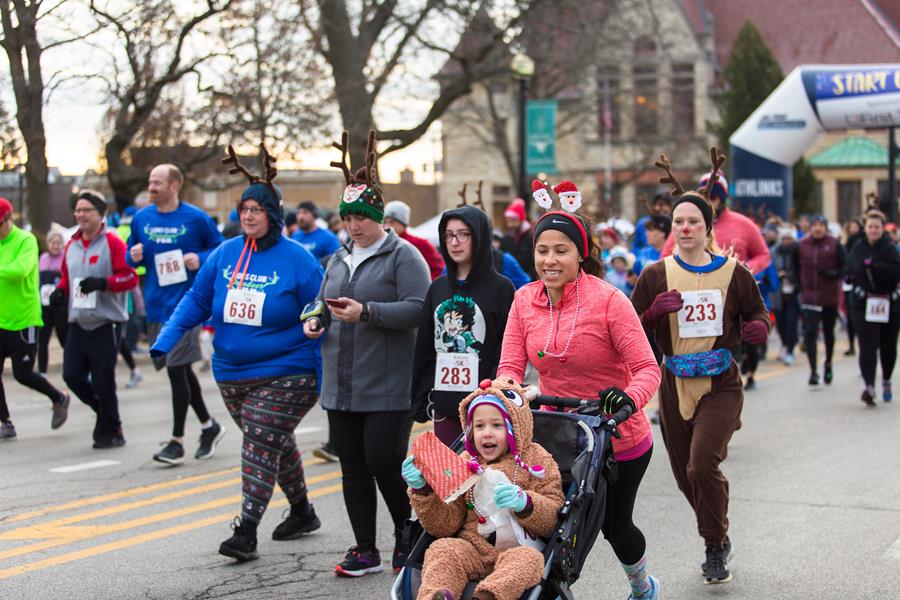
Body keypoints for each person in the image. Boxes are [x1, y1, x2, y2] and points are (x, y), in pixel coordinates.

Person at [151, 150, 324, 560]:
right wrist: (165, 340)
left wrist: (323, 363)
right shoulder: (226, 254)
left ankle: (246, 531)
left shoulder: (299, 261)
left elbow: (320, 312)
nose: (248, 216)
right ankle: (302, 511)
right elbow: (196, 300)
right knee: (270, 442)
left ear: (274, 215)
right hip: (231, 373)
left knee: (260, 440)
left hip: (289, 371)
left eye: (258, 209)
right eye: (244, 208)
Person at [497, 185, 662, 600]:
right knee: (550, 522)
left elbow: (646, 368)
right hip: (559, 433)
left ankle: (642, 586)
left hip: (617, 435)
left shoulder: (609, 301)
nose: (549, 260)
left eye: (561, 251)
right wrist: (502, 392)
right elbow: (510, 369)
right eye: (542, 250)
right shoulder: (523, 300)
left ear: (581, 255)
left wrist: (628, 400)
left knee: (613, 527)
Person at [631, 153, 769, 585]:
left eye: (694, 221)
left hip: (721, 382)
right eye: (679, 222)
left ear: (708, 228)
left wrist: (756, 329)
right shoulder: (656, 274)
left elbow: (760, 315)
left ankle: (713, 545)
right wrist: (653, 312)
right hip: (675, 383)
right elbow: (631, 329)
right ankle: (718, 528)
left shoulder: (734, 272)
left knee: (700, 466)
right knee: (683, 477)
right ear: (672, 229)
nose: (685, 228)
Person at [302, 130, 430, 577]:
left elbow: (418, 310)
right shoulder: (338, 259)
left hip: (389, 384)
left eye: (362, 217)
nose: (354, 225)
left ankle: (406, 533)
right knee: (353, 467)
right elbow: (320, 300)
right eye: (347, 217)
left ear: (379, 218)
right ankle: (363, 548)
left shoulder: (404, 257)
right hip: (342, 382)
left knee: (383, 462)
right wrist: (315, 318)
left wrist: (369, 312)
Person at [403, 378, 565, 600]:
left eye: (496, 425)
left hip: (517, 547)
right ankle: (437, 595)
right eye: (479, 426)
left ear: (515, 426)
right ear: (470, 430)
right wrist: (422, 490)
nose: (487, 433)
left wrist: (526, 503)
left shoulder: (537, 460)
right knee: (443, 549)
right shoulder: (465, 462)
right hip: (472, 547)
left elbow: (553, 518)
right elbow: (445, 525)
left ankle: (487, 596)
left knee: (528, 560)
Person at [129, 164, 225, 465]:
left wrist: (201, 257)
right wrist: (132, 255)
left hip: (187, 306)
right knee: (180, 369)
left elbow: (221, 250)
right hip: (156, 303)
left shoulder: (196, 218)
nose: (151, 187)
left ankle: (177, 441)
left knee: (175, 368)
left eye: (157, 182)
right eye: (150, 182)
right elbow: (131, 251)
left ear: (174, 186)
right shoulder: (142, 218)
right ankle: (210, 426)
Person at [411, 204, 515, 445]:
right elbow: (425, 346)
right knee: (451, 476)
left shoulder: (501, 288)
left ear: (479, 237)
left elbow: (507, 348)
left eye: (463, 234)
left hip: (487, 405)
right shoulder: (437, 287)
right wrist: (420, 396)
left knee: (487, 476)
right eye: (448, 235)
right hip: (445, 405)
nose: (454, 242)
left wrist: (498, 391)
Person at [52, 190, 138, 448]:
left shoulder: (112, 243)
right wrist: (60, 291)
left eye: (86, 210)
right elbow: (68, 277)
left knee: (102, 380)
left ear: (101, 214)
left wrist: (103, 283)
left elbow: (130, 278)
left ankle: (113, 429)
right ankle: (105, 414)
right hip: (78, 320)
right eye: (77, 210)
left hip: (106, 322)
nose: (80, 215)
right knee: (72, 376)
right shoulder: (71, 244)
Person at [0, 200, 70, 440]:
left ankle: (58, 398)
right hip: (0, 319)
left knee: (22, 374)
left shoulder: (25, 241)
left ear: (8, 219)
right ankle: (6, 422)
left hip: (23, 319)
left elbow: (20, 270)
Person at [661, 170, 771, 275]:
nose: (708, 201)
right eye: (704, 196)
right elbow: (665, 257)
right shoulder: (686, 224)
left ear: (722, 199)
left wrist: (746, 268)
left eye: (712, 197)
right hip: (692, 286)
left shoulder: (745, 224)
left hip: (733, 287)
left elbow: (763, 255)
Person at [846, 210, 900, 406]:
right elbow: (849, 268)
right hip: (863, 303)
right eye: (870, 226)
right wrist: (849, 276)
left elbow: (896, 272)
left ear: (882, 228)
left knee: (888, 345)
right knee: (867, 346)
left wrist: (875, 266)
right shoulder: (858, 247)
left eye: (877, 227)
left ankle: (886, 380)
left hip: (889, 303)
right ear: (865, 228)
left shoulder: (890, 248)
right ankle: (869, 386)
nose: (873, 230)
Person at [796, 215, 845, 386]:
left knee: (829, 333)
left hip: (829, 297)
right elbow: (795, 266)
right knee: (810, 333)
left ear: (825, 227)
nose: (817, 228)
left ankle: (829, 363)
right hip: (809, 297)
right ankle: (813, 371)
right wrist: (798, 285)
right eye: (814, 225)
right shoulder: (802, 245)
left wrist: (834, 275)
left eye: (821, 225)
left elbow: (845, 267)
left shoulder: (834, 244)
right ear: (810, 227)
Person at [384, 200, 446, 280]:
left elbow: (439, 268)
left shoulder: (419, 243)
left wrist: (424, 284)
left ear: (403, 224)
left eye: (392, 222)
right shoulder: (382, 243)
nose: (388, 225)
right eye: (385, 222)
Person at [37, 230, 68, 378]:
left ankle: (69, 367)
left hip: (60, 305)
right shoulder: (42, 259)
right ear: (48, 244)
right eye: (52, 243)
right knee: (43, 339)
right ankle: (42, 371)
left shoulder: (65, 258)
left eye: (58, 243)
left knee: (64, 339)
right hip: (45, 306)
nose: (55, 246)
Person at [772, 228, 800, 366]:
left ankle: (790, 349)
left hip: (794, 291)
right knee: (780, 321)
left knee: (791, 321)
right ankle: (784, 344)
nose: (786, 241)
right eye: (783, 239)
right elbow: (770, 269)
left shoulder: (798, 251)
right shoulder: (775, 252)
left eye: (788, 238)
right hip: (778, 292)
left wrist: (791, 277)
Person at [499, 198, 536, 280]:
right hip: (509, 278)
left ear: (520, 219)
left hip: (527, 278)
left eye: (513, 220)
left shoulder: (530, 237)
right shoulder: (506, 238)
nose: (510, 224)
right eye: (508, 221)